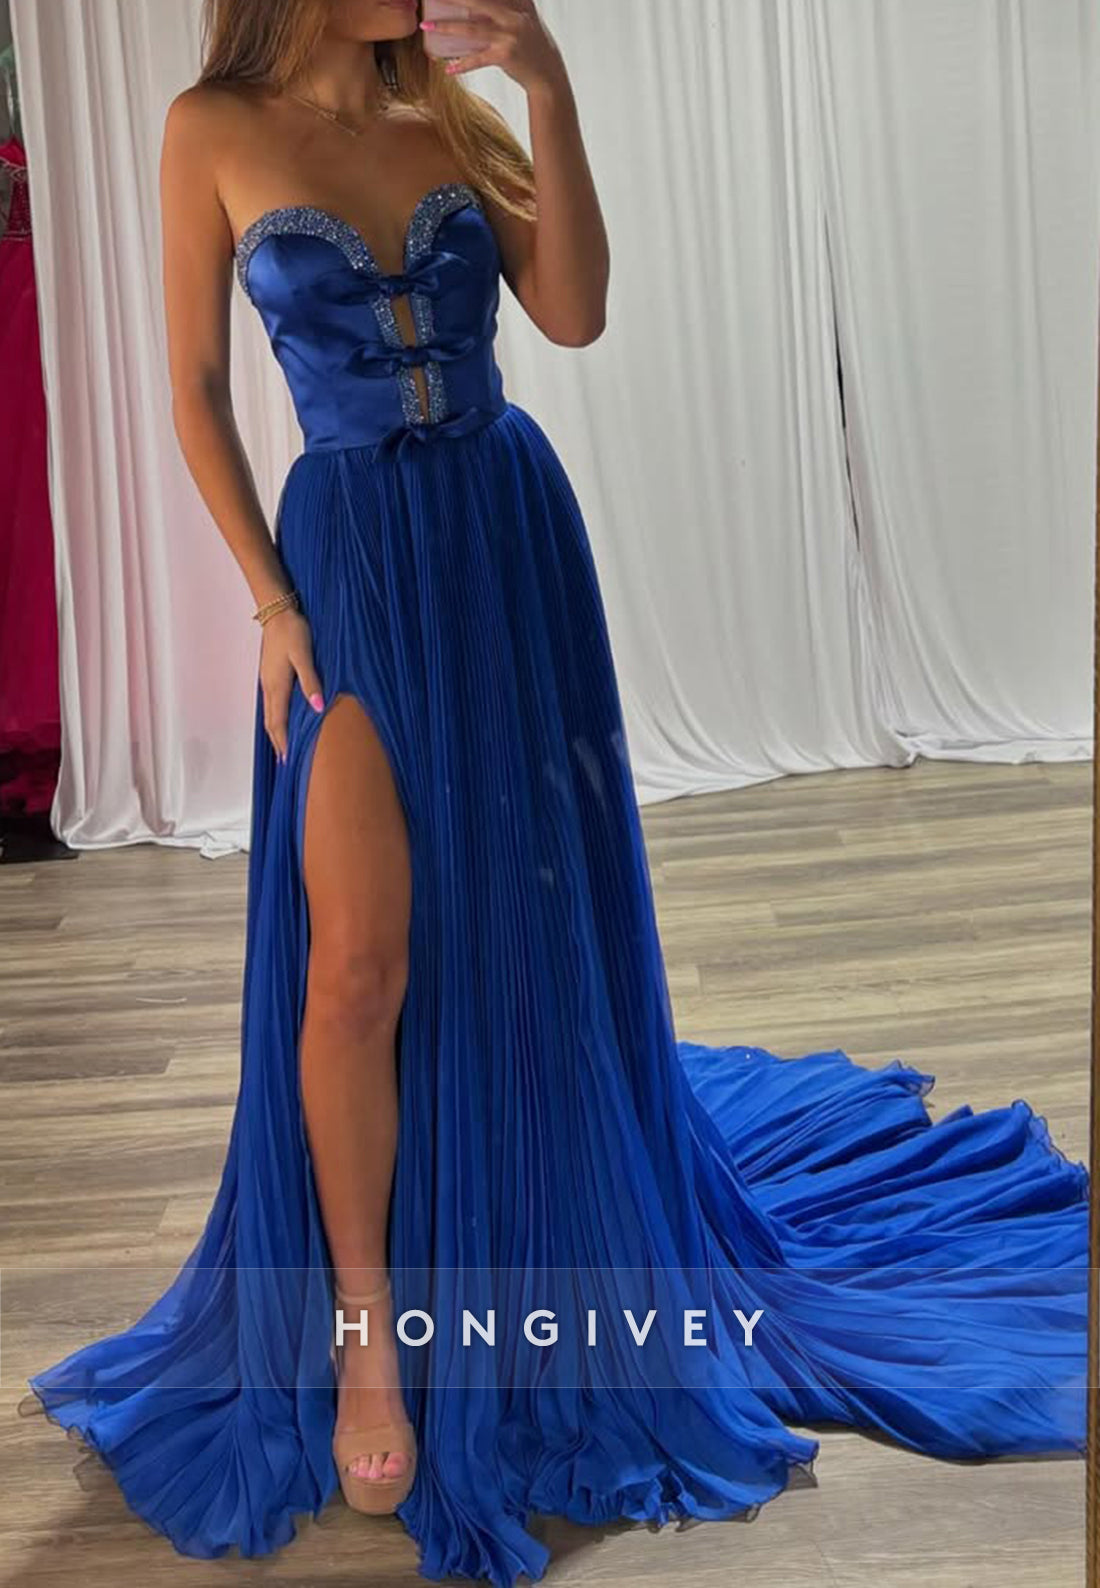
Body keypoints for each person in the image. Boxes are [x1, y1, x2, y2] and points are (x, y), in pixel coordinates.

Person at [26, 3, 1089, 1585]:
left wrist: (548, 84)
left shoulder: (453, 118)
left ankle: (531, 1215)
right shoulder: (212, 128)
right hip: (348, 560)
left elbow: (574, 314)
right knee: (354, 966)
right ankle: (369, 1338)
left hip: (505, 539)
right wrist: (269, 599)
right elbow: (190, 385)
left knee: (520, 928)